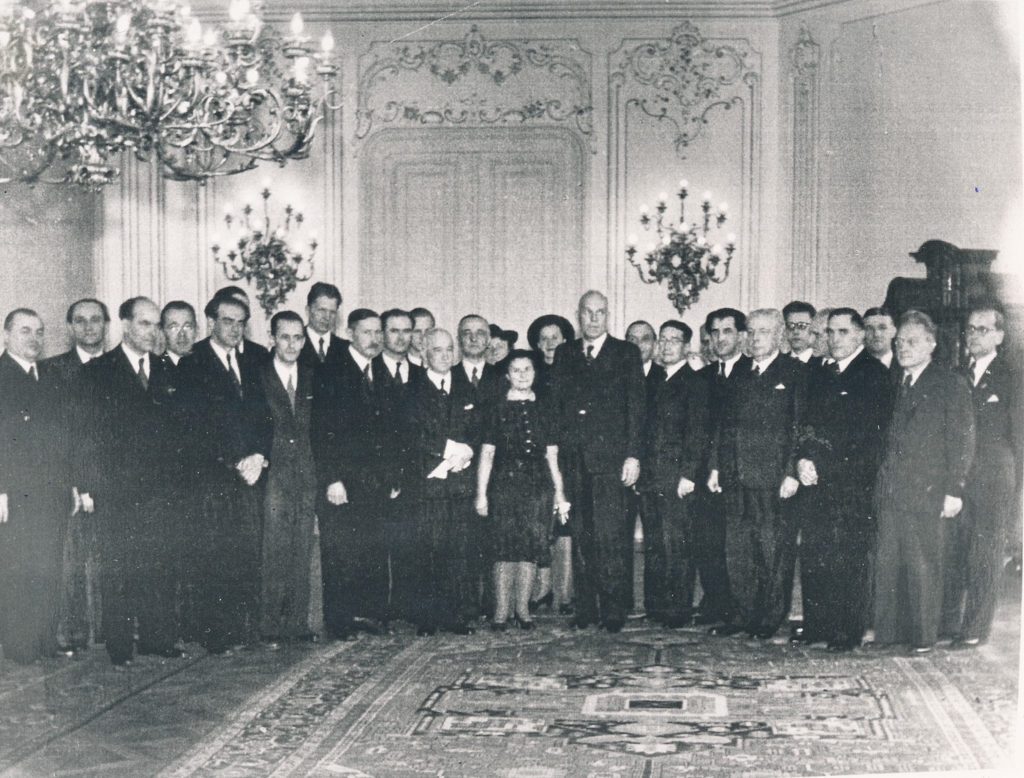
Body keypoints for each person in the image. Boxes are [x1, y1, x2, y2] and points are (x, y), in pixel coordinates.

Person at [76, 298, 183, 665]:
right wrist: (90, 486)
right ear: (125, 325)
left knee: (160, 564)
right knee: (118, 568)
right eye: (144, 324)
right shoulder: (98, 372)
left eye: (156, 325)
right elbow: (86, 435)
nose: (152, 332)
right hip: (116, 490)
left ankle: (157, 638)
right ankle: (119, 645)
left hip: (161, 490)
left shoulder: (166, 370)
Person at [175, 294, 273, 655]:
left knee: (247, 553)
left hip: (252, 476)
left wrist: (259, 455)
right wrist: (234, 461)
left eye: (241, 322)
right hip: (212, 478)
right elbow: (194, 428)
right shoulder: (191, 363)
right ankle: (215, 633)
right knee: (215, 555)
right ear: (211, 322)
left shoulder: (255, 361)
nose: (235, 328)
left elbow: (266, 416)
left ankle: (244, 630)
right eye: (228, 321)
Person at [873, 310, 975, 654]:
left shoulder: (949, 383)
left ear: (931, 344)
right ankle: (887, 635)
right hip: (891, 490)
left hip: (927, 491)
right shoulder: (895, 382)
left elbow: (962, 440)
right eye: (899, 341)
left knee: (924, 566)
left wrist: (954, 490)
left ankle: (923, 637)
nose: (902, 347)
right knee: (888, 565)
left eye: (911, 341)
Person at [795, 309, 892, 650]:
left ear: (860, 335)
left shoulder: (874, 375)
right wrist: (803, 459)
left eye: (843, 332)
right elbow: (806, 423)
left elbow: (869, 437)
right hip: (815, 481)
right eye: (830, 332)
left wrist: (824, 464)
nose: (834, 339)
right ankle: (816, 626)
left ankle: (846, 631)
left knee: (848, 558)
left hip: (852, 485)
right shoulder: (821, 373)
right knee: (815, 553)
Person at [708, 309, 806, 640]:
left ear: (779, 335)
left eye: (763, 331)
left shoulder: (795, 372)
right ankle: (741, 614)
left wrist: (792, 471)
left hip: (773, 479)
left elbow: (799, 426)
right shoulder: (739, 373)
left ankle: (769, 618)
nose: (755, 338)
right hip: (734, 476)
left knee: (772, 551)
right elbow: (722, 425)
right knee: (737, 550)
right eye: (751, 332)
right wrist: (715, 466)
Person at [551, 291, 645, 633]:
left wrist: (633, 455)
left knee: (611, 537)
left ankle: (613, 610)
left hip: (611, 461)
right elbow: (557, 406)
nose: (593, 319)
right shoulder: (565, 353)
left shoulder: (626, 353)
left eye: (600, 312)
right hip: (574, 461)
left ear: (608, 315)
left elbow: (637, 407)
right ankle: (587, 609)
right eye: (587, 312)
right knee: (582, 536)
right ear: (578, 315)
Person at [311, 310, 399, 638]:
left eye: (378, 333)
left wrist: (392, 478)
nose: (374, 339)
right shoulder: (330, 372)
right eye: (366, 332)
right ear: (350, 333)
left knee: (372, 548)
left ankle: (368, 614)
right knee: (341, 552)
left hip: (376, 482)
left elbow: (391, 431)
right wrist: (332, 478)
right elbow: (321, 430)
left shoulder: (381, 371)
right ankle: (340, 621)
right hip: (343, 482)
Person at [941, 306, 1019, 647]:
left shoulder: (1013, 376)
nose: (973, 335)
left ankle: (974, 629)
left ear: (1000, 335)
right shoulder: (956, 374)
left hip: (994, 479)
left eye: (982, 329)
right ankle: (947, 623)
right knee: (954, 550)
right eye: (970, 329)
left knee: (985, 555)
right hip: (958, 479)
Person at [476, 350, 568, 631]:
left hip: (538, 487)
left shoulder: (546, 409)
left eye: (527, 369)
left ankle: (523, 610)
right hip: (504, 486)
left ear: (535, 373)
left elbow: (552, 457)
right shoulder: (496, 409)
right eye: (515, 370)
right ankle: (501, 612)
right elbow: (487, 454)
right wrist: (481, 493)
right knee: (504, 548)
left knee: (530, 548)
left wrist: (560, 495)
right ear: (507, 376)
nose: (522, 375)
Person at [0, 309, 71, 664]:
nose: (34, 338)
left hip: (52, 491)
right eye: (25, 330)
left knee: (49, 566)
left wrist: (71, 485)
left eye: (40, 331)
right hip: (16, 493)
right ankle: (19, 643)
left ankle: (46, 638)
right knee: (18, 566)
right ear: (6, 335)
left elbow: (64, 436)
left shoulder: (51, 376)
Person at [41, 298, 109, 655]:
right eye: (80, 321)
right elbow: (53, 434)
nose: (88, 327)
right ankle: (74, 634)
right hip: (71, 481)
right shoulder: (50, 370)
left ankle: (111, 631)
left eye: (95, 320)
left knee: (113, 558)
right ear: (70, 327)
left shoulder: (120, 367)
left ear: (107, 324)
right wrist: (74, 483)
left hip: (114, 480)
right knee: (72, 561)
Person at [405, 328, 481, 635]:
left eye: (449, 349)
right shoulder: (412, 390)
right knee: (429, 549)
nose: (445, 355)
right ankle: (427, 617)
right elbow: (412, 433)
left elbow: (479, 429)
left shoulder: (467, 389)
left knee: (459, 550)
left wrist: (469, 451)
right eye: (437, 350)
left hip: (461, 483)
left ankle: (456, 615)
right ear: (424, 354)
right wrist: (450, 448)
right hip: (429, 485)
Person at [637, 321, 709, 628]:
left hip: (677, 478)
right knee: (654, 543)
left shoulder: (695, 382)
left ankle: (677, 609)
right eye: (662, 340)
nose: (666, 346)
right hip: (650, 477)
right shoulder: (652, 380)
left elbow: (698, 432)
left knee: (677, 545)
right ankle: (655, 606)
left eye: (674, 340)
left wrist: (689, 475)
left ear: (687, 347)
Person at [258, 311, 318, 644]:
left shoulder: (312, 377)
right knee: (274, 548)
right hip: (273, 475)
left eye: (298, 338)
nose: (292, 344)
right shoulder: (258, 376)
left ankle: (297, 622)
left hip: (306, 475)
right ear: (272, 339)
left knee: (301, 546)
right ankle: (270, 624)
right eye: (285, 337)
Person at [693, 308, 751, 626]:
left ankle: (738, 606)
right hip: (705, 474)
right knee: (707, 539)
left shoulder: (752, 372)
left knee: (737, 542)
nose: (720, 338)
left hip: (739, 472)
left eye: (727, 331)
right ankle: (715, 601)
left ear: (741, 335)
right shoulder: (702, 378)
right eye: (714, 332)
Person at [374, 309, 423, 623]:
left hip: (414, 473)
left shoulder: (421, 375)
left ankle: (407, 605)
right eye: (394, 330)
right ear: (382, 334)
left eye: (407, 331)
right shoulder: (369, 371)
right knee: (379, 543)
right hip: (378, 473)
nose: (402, 337)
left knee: (411, 540)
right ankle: (379, 609)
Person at [526, 313, 576, 615]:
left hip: (568, 457)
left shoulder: (575, 372)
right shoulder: (531, 374)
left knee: (565, 522)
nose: (548, 343)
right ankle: (541, 589)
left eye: (554, 337)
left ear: (565, 340)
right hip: (537, 458)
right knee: (539, 523)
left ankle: (565, 592)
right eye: (543, 339)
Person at [626, 319, 666, 618]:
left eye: (645, 338)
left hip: (655, 475)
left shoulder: (665, 377)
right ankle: (623, 602)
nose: (638, 345)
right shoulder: (615, 377)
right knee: (619, 539)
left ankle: (656, 604)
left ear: (654, 344)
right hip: (622, 473)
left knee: (657, 540)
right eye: (632, 339)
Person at [453, 314, 505, 405]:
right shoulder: (447, 375)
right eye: (467, 333)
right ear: (458, 341)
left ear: (488, 340)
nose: (473, 338)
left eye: (480, 333)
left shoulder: (501, 376)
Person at [213, 286, 271, 365]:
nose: (242, 311)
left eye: (245, 307)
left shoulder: (260, 353)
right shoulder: (199, 353)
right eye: (236, 305)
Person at [300, 282, 347, 367]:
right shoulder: (294, 342)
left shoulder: (345, 348)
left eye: (332, 312)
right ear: (308, 311)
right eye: (322, 310)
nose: (327, 317)